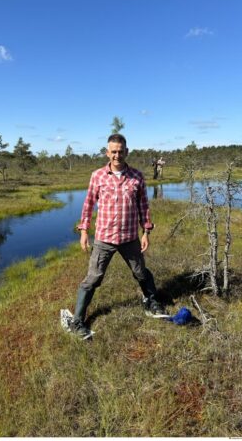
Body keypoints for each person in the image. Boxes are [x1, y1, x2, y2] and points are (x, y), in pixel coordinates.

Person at [61, 133, 168, 340]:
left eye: (121, 151)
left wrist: (146, 231)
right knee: (93, 279)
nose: (117, 155)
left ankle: (151, 301)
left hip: (130, 237)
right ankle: (77, 321)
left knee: (141, 272)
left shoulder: (137, 176)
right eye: (113, 152)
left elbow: (143, 206)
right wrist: (84, 231)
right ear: (107, 152)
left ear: (126, 152)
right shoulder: (97, 176)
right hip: (104, 238)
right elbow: (88, 204)